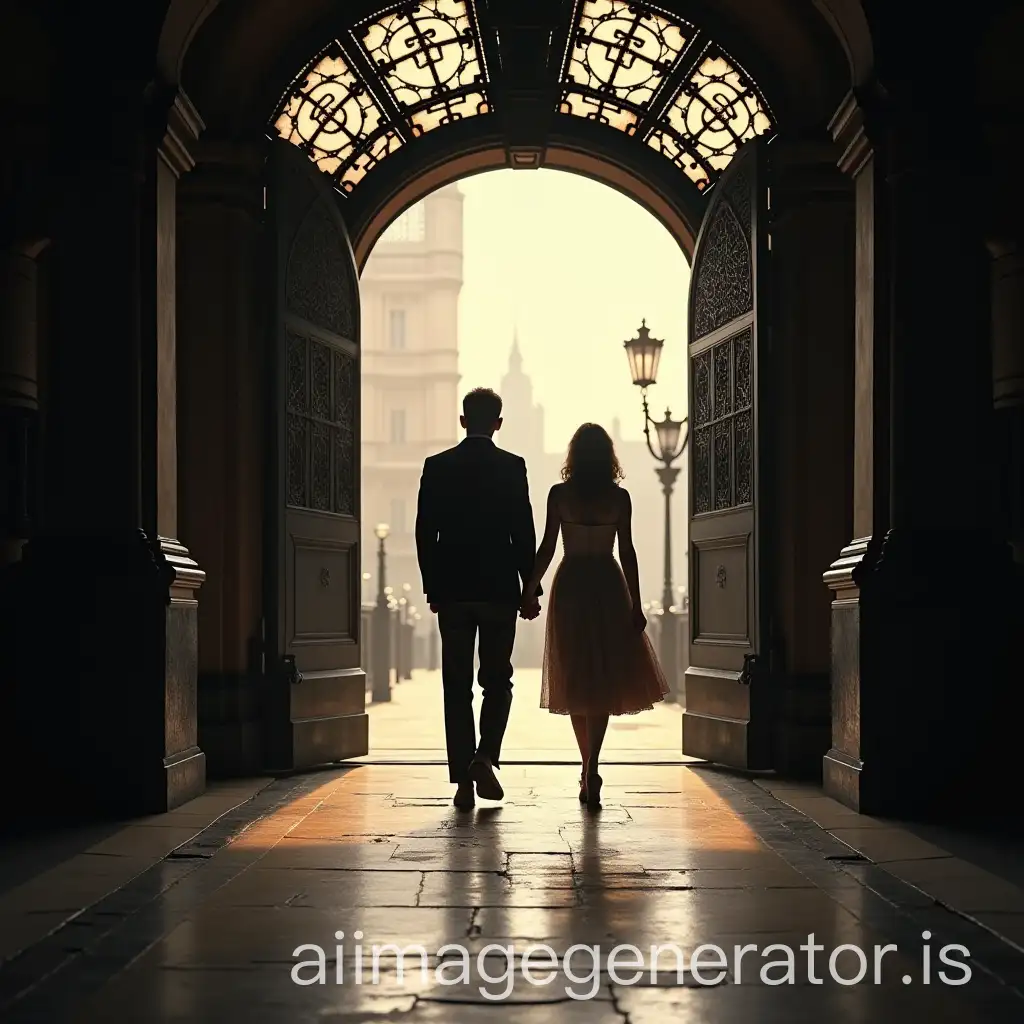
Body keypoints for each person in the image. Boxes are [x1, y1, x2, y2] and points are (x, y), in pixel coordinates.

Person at [521, 423, 669, 808]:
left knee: (574, 677)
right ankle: (593, 764)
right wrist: (636, 604)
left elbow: (547, 549)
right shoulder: (619, 499)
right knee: (602, 677)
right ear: (608, 457)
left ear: (573, 455)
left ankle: (585, 763)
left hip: (571, 585)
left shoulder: (559, 495)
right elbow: (628, 553)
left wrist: (528, 589)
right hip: (607, 583)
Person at [415, 388, 541, 810]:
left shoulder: (437, 467)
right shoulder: (512, 467)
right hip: (499, 590)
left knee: (456, 684)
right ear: (499, 423)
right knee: (497, 680)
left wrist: (433, 585)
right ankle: (485, 755)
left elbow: (424, 533)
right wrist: (529, 588)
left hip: (452, 591)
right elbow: (523, 533)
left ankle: (463, 780)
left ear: (463, 420)